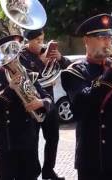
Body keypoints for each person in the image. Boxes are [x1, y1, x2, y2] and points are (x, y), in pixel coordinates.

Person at [61, 13, 112, 180]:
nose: (108, 42)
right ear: (86, 41)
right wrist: (111, 74)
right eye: (101, 37)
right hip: (93, 161)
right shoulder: (74, 71)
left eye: (109, 37)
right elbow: (82, 106)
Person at [0, 35, 53, 180]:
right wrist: (9, 89)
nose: (14, 59)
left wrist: (40, 103)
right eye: (10, 55)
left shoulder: (30, 75)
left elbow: (49, 100)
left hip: (27, 140)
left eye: (15, 54)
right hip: (6, 141)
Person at [19, 29, 70, 180]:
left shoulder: (45, 50)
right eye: (37, 40)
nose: (41, 43)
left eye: (42, 39)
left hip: (49, 101)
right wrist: (40, 62)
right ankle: (33, 172)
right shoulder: (22, 55)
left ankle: (48, 170)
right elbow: (25, 76)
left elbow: (68, 66)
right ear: (28, 40)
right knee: (32, 140)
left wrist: (60, 58)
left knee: (53, 138)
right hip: (32, 102)